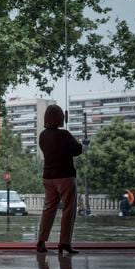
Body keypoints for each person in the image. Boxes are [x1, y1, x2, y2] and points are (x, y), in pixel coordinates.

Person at [36, 105, 82, 254]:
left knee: (48, 209)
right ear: (61, 118)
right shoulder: (64, 135)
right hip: (65, 177)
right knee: (68, 209)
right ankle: (64, 243)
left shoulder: (42, 135)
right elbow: (77, 150)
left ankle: (41, 241)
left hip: (48, 177)